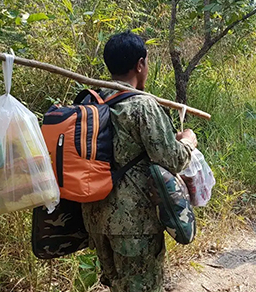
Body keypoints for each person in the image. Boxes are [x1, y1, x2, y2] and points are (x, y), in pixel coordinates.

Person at [82, 31, 198, 292]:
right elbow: (172, 159)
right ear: (139, 64)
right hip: (134, 224)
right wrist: (188, 141)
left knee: (117, 285)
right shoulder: (142, 105)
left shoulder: (92, 100)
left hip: (96, 219)